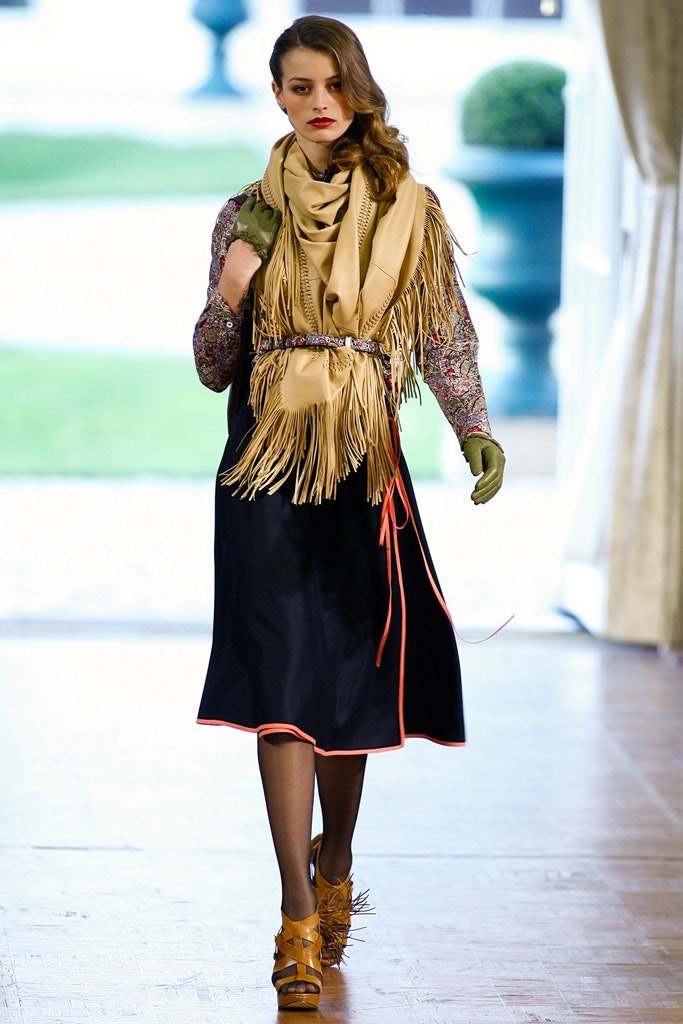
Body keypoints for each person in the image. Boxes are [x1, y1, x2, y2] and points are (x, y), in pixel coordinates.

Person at [192, 14, 505, 1012]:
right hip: (263, 471)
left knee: (345, 693)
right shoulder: (246, 211)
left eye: (330, 84)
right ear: (277, 98)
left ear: (357, 88)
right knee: (281, 684)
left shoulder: (408, 209)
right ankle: (293, 916)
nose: (315, 102)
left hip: (362, 473)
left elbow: (444, 334)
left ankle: (337, 871)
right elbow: (209, 367)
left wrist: (471, 431)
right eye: (294, 87)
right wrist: (234, 289)